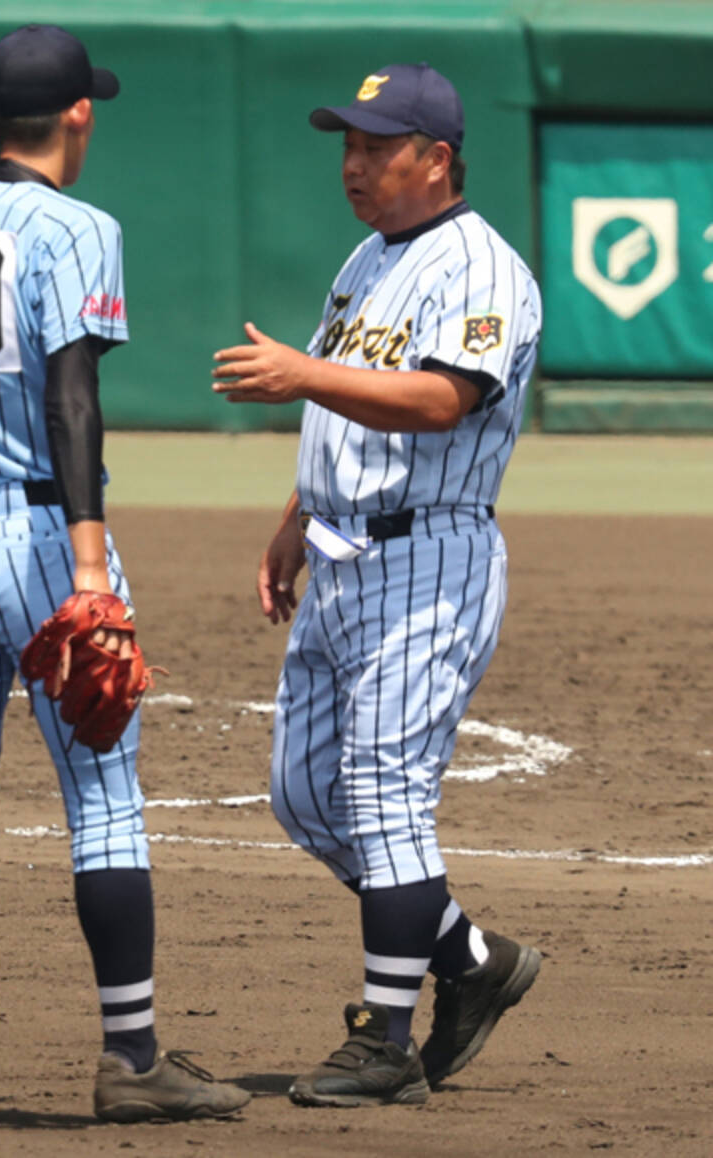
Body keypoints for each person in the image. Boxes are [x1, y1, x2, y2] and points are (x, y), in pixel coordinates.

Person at [0, 23, 251, 1127]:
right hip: (35, 544)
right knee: (105, 806)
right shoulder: (76, 227)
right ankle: (132, 1058)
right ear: (79, 115)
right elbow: (74, 396)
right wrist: (88, 568)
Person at [212, 63, 543, 1107]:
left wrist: (303, 376)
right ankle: (472, 959)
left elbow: (442, 399)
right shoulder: (368, 257)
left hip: (429, 560)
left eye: (376, 147)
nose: (353, 166)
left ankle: (385, 1037)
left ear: (435, 159)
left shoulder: (486, 268)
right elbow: (346, 409)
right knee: (306, 796)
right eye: (347, 146)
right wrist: (293, 519)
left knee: (388, 798)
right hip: (343, 554)